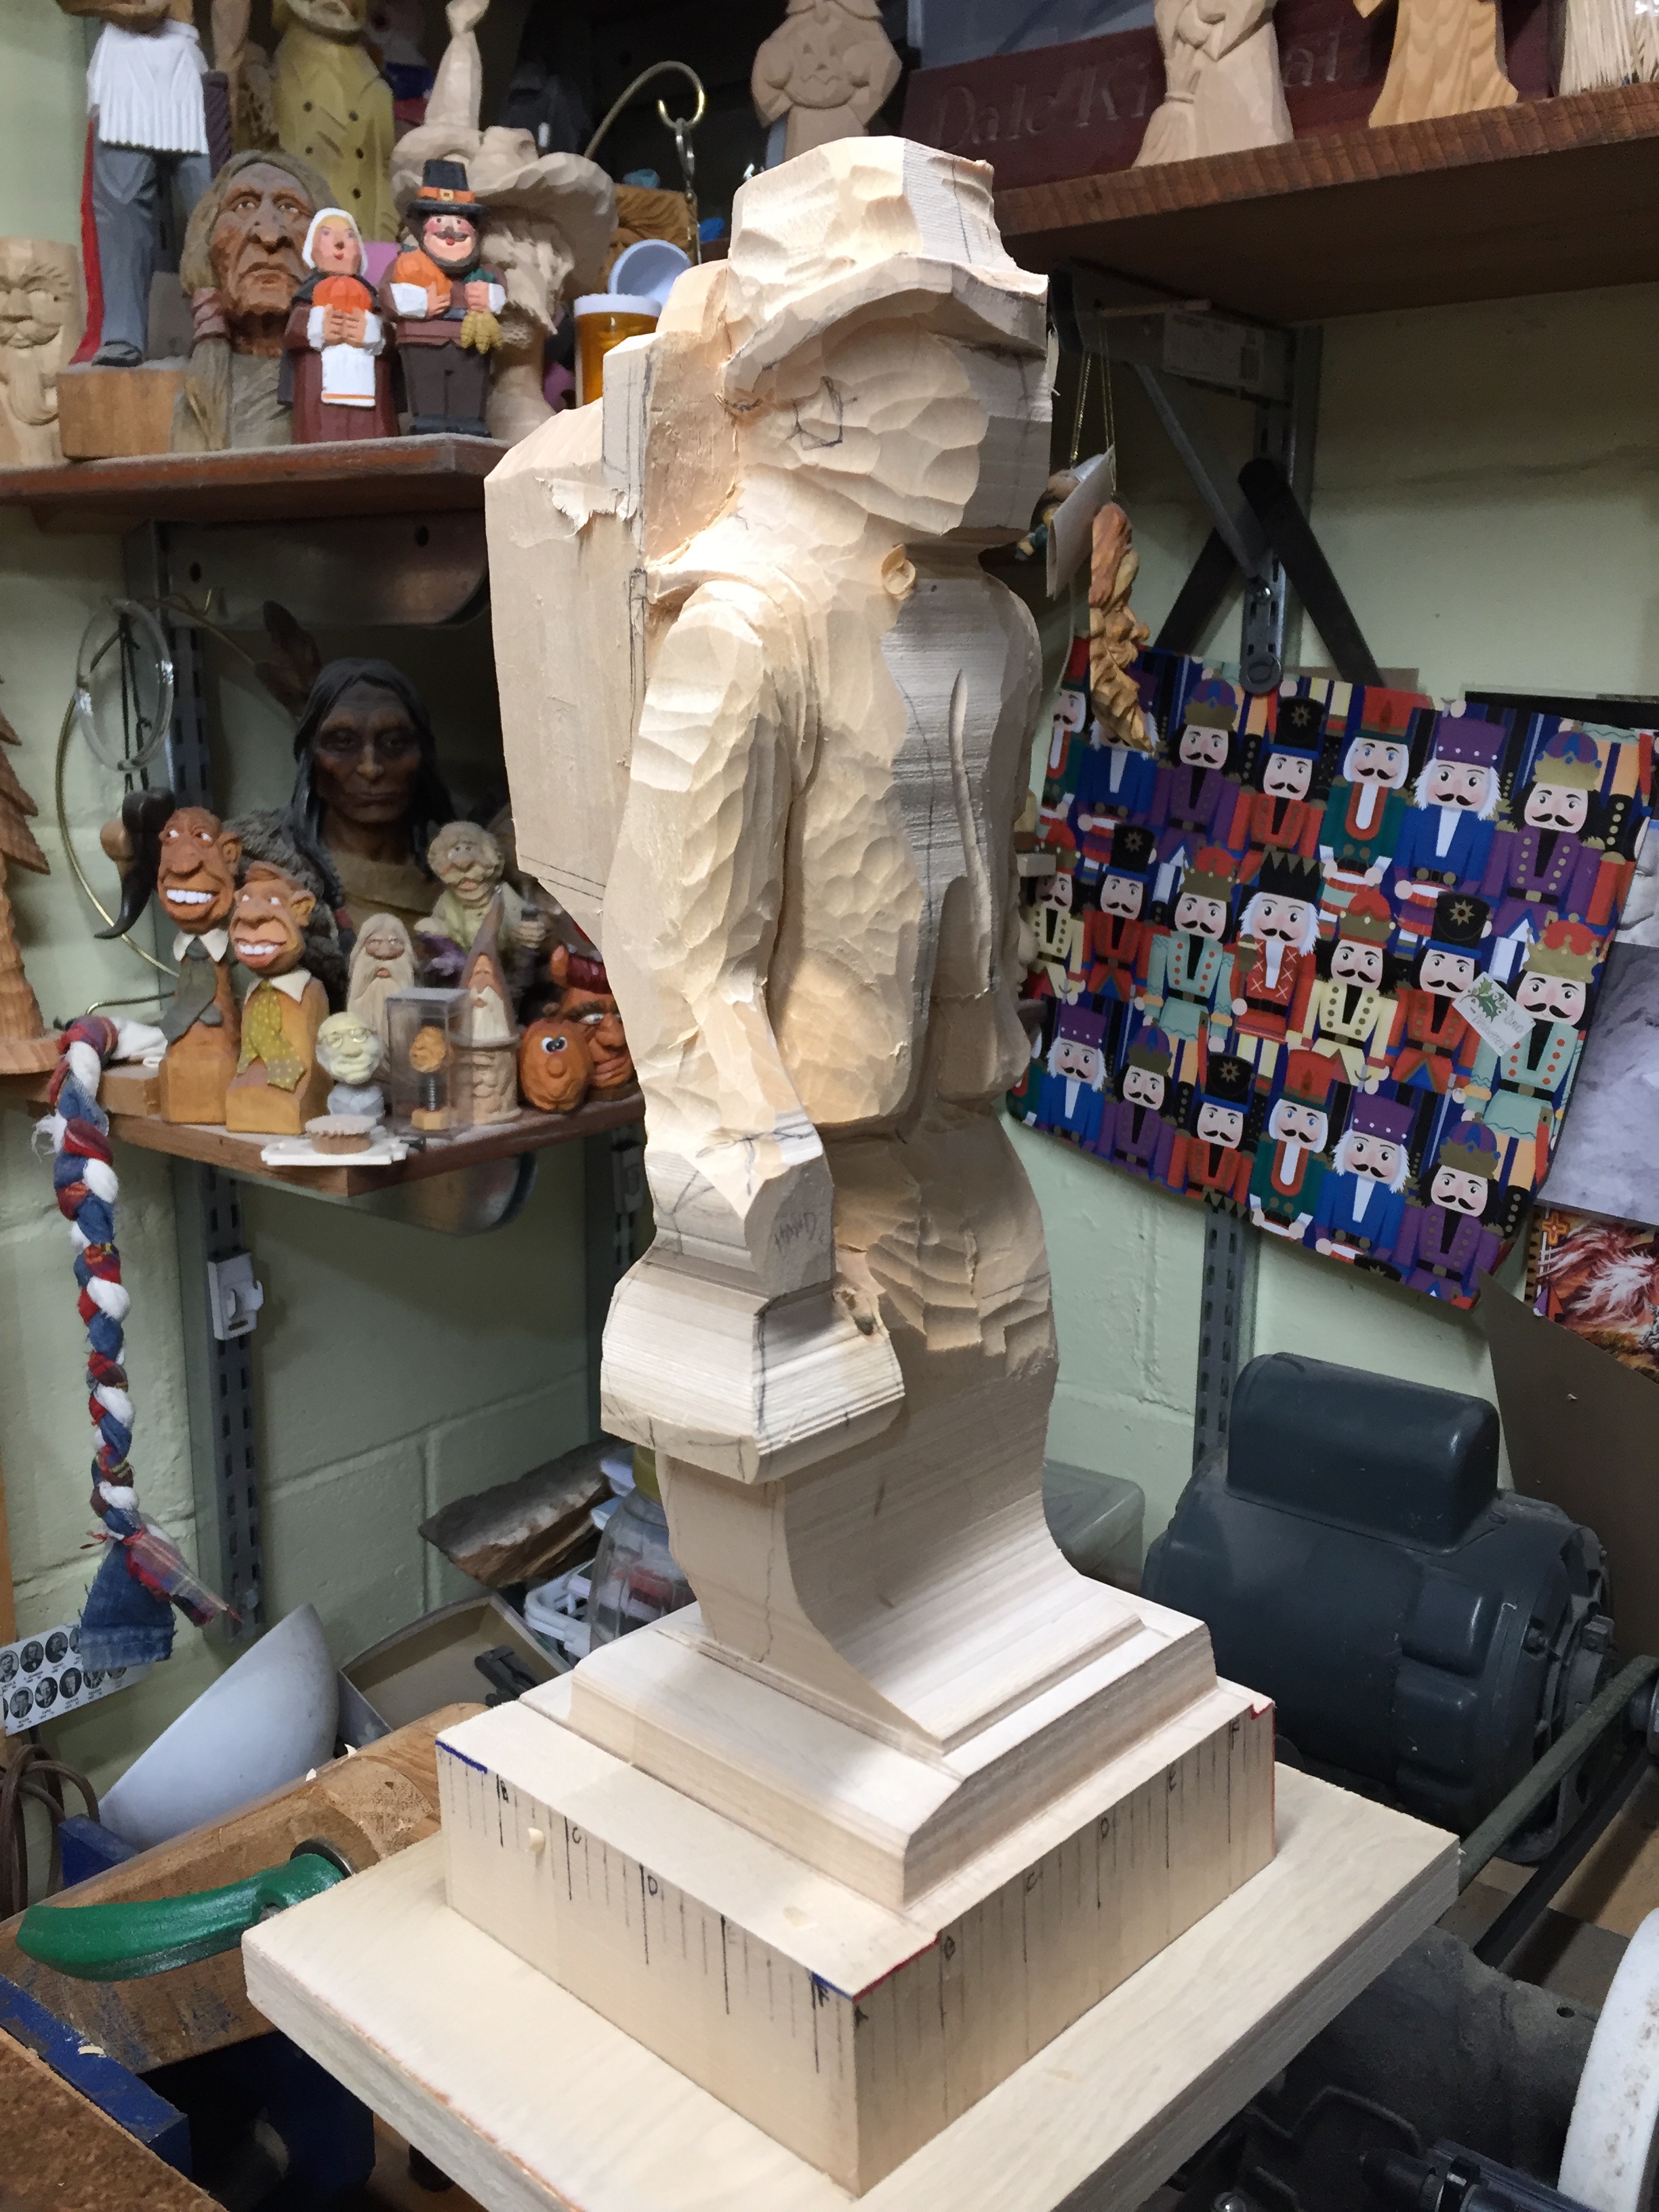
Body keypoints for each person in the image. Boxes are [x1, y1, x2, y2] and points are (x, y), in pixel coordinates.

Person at [380, 158, 504, 436]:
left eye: (459, 221)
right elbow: (387, 297)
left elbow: (501, 293)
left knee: (468, 392)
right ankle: (428, 423)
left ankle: (470, 425)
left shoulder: (486, 273)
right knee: (428, 394)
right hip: (421, 343)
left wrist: (489, 297)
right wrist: (422, 304)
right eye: (439, 220)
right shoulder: (406, 266)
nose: (451, 231)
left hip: (471, 344)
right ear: (423, 230)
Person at [282, 207, 396, 443]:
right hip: (318, 398)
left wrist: (373, 333)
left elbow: (392, 340)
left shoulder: (373, 299)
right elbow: (293, 333)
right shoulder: (306, 297)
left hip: (370, 400)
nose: (339, 243)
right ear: (312, 251)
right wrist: (317, 327)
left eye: (349, 235)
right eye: (326, 234)